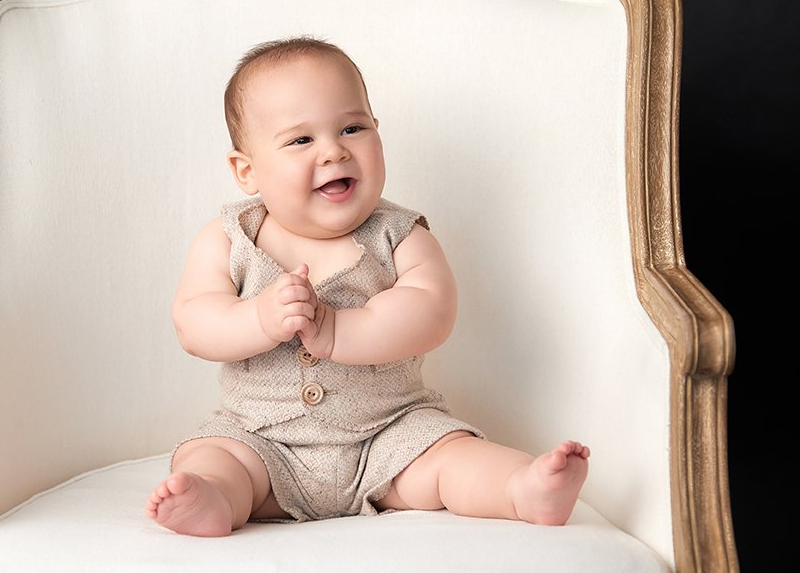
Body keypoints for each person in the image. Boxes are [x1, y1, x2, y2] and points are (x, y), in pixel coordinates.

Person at [147, 37, 589, 537]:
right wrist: (259, 319)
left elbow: (431, 311)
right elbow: (194, 321)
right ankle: (215, 500)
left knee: (450, 454)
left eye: (352, 128)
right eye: (300, 140)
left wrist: (338, 330)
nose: (334, 150)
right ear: (246, 170)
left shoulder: (401, 236)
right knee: (211, 455)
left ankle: (520, 488)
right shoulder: (229, 239)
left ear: (377, 133)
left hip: (389, 436)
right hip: (263, 443)